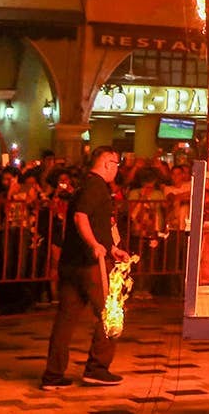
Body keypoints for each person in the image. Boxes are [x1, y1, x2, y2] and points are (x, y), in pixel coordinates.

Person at [42, 147, 129, 390]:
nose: (117, 169)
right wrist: (94, 246)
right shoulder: (96, 186)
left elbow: (95, 223)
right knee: (111, 313)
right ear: (107, 163)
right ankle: (97, 368)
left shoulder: (84, 185)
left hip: (71, 264)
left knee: (66, 319)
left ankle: (53, 375)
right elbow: (81, 217)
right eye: (116, 163)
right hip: (89, 266)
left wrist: (111, 248)